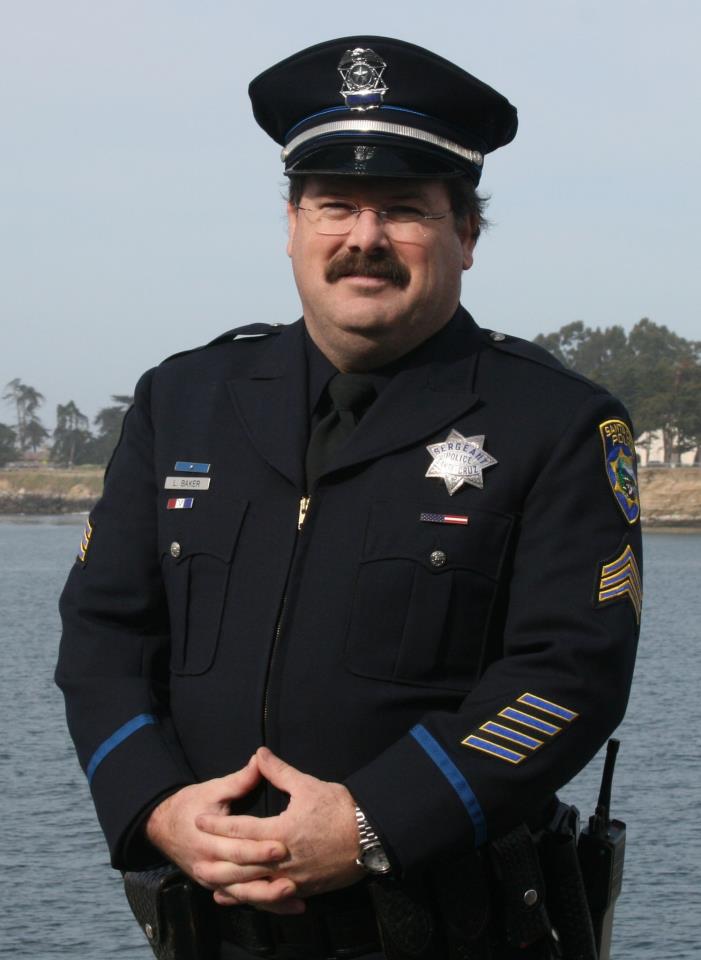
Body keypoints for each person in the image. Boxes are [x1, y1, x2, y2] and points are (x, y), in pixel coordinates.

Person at [56, 36, 642, 960]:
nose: (363, 238)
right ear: (292, 224)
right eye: (335, 205)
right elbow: (104, 637)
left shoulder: (554, 422)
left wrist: (372, 822)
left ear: (466, 235)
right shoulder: (184, 401)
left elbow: (569, 675)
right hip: (209, 931)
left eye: (403, 209)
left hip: (449, 929)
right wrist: (157, 807)